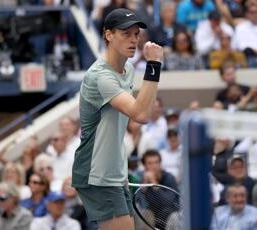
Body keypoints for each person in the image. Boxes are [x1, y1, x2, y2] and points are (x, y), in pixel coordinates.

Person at [72, 8, 164, 230]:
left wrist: (120, 168)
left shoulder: (129, 70)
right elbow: (141, 115)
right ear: (108, 35)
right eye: (126, 34)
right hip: (95, 172)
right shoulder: (100, 76)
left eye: (136, 34)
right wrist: (154, 66)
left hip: (113, 170)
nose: (133, 40)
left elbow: (139, 112)